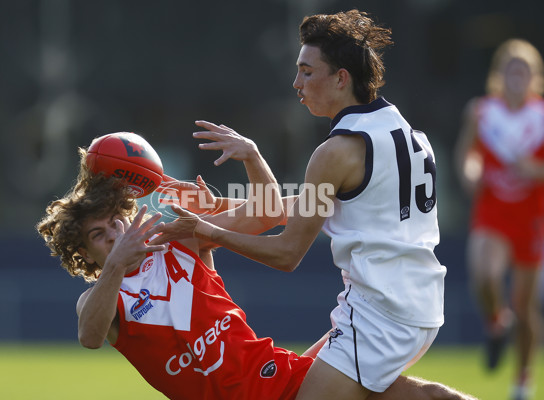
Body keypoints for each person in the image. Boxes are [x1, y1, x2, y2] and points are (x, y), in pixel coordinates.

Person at [37, 130, 475, 400]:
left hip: (283, 380)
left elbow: (268, 213)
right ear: (84, 253)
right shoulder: (99, 301)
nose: (114, 234)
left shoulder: (180, 239)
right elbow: (90, 337)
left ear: (129, 214)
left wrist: (251, 155)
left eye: (116, 221)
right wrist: (115, 266)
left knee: (428, 396)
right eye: (99, 235)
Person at [149, 10, 448, 400]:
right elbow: (303, 207)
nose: (296, 83)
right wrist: (228, 192)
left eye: (307, 71)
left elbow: (287, 253)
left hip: (382, 314)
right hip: (414, 305)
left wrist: (203, 230)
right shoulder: (407, 134)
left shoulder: (337, 151)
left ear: (341, 78)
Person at [454, 38, 544, 399]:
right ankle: (495, 323)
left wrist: (533, 169)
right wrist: (470, 172)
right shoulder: (481, 112)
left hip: (531, 214)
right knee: (484, 273)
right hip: (492, 209)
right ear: (499, 75)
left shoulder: (540, 117)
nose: (516, 78)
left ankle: (522, 380)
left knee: (524, 306)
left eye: (523, 72)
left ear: (534, 77)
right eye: (511, 71)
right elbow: (468, 153)